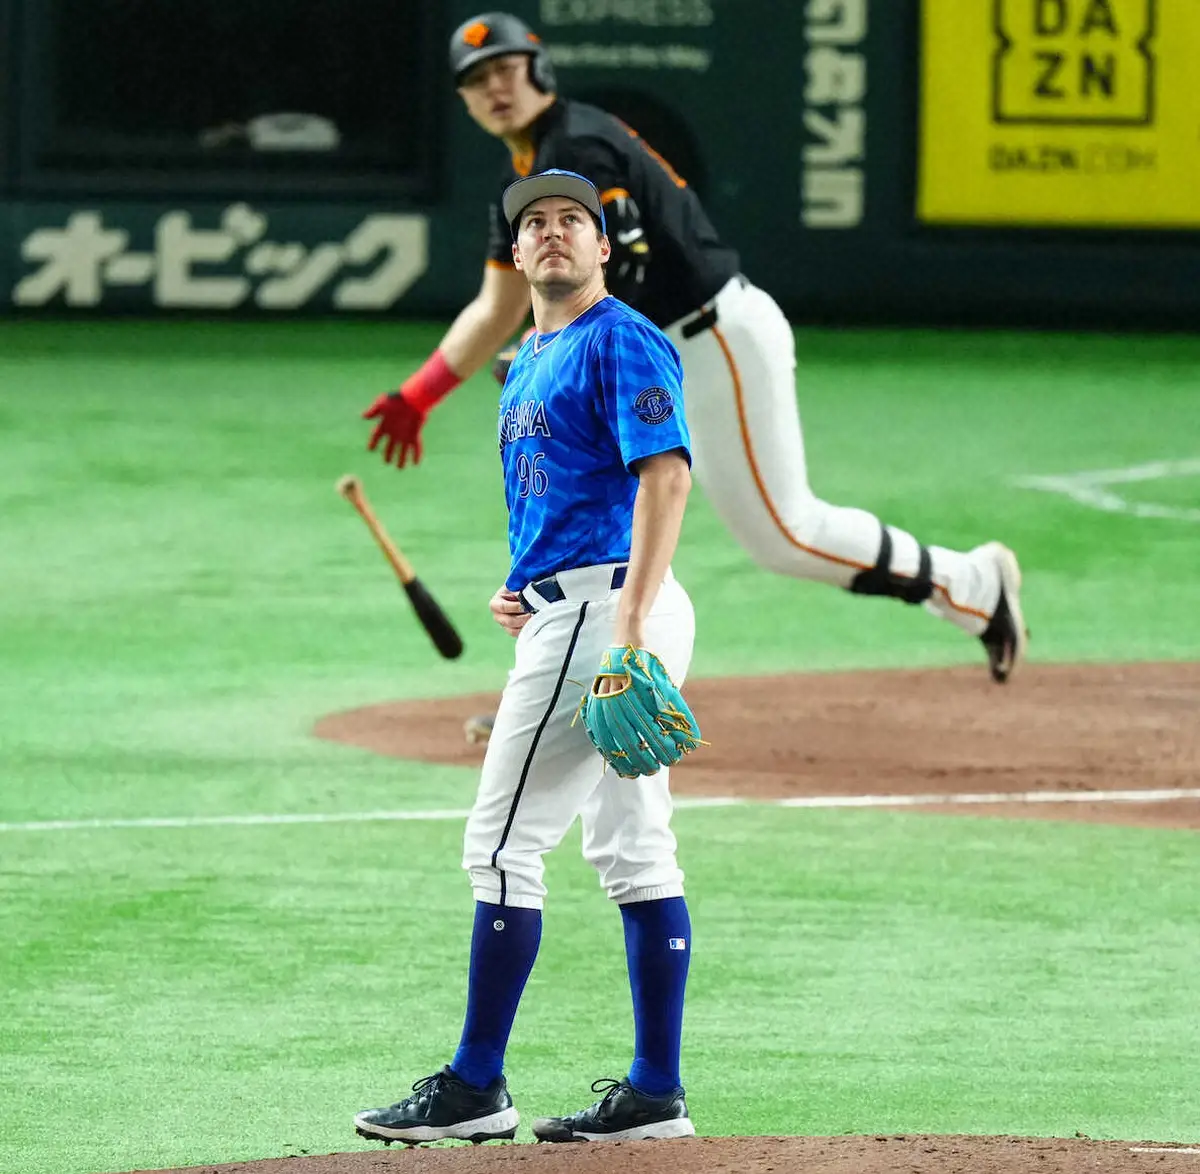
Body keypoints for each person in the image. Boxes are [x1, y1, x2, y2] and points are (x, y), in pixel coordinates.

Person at [361, 11, 1028, 750]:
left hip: (713, 341)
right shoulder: (526, 181)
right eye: (477, 80)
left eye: (506, 68)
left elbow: (627, 266)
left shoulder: (576, 146)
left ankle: (972, 586)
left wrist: (547, 353)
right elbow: (498, 306)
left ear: (539, 68)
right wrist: (419, 394)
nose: (495, 87)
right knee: (594, 527)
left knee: (785, 535)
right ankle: (558, 695)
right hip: (654, 352)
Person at [355, 169, 699, 1146]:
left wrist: (624, 626)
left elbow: (667, 477)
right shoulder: (529, 359)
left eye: (571, 220)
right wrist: (527, 586)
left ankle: (475, 1085)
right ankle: (655, 1094)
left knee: (503, 846)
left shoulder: (622, 338)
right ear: (514, 255)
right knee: (634, 850)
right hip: (584, 606)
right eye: (533, 223)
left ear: (602, 247)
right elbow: (567, 491)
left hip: (609, 616)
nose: (552, 232)